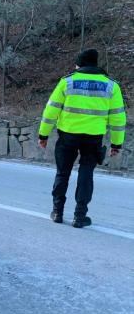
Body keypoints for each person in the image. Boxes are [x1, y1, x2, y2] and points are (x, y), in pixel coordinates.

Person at [38, 49, 126, 228]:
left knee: (63, 173)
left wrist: (43, 134)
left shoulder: (67, 81)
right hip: (93, 137)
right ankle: (80, 216)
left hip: (68, 135)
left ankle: (57, 212)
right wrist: (116, 143)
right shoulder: (111, 85)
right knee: (86, 174)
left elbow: (51, 110)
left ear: (80, 64)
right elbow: (118, 117)